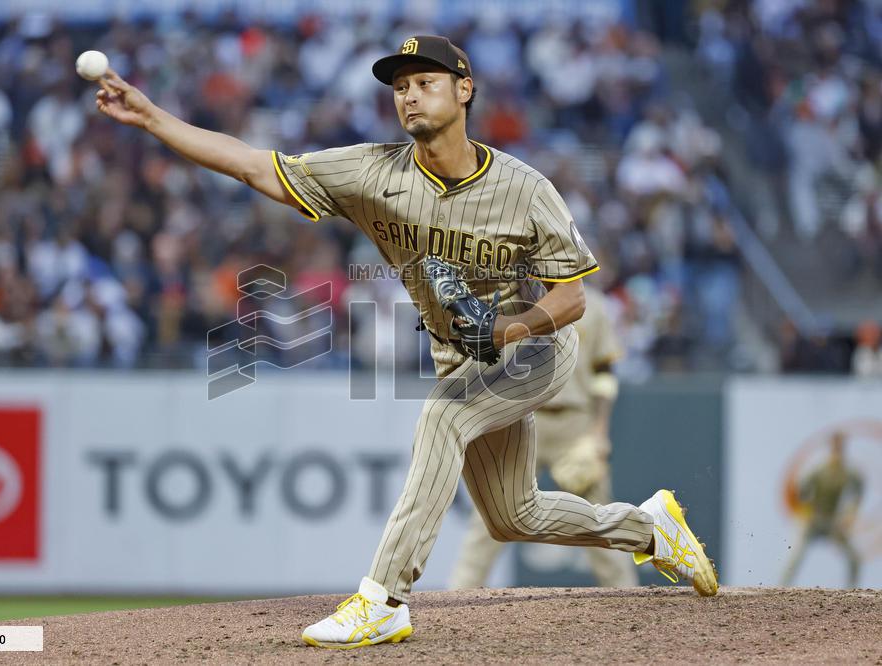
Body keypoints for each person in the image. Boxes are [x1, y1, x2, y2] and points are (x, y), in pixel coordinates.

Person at [94, 34, 717, 650]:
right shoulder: (371, 173)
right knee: (512, 516)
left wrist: (509, 327)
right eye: (399, 87)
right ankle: (650, 529)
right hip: (463, 358)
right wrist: (152, 118)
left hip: (534, 350)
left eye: (425, 83)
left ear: (465, 89)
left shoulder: (525, 188)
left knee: (443, 418)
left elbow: (573, 296)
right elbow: (255, 164)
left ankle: (384, 599)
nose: (409, 97)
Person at [449, 285, 637, 589]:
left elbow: (604, 373)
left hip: (574, 422)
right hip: (520, 416)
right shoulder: (510, 301)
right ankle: (459, 595)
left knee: (599, 516)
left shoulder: (593, 304)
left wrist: (599, 432)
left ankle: (627, 595)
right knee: (491, 515)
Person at [781, 432, 864, 588]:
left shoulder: (847, 472)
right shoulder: (819, 470)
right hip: (813, 521)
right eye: (835, 446)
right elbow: (802, 492)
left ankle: (853, 592)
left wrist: (851, 513)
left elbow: (859, 489)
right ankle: (779, 590)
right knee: (794, 559)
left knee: (854, 558)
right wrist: (804, 513)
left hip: (832, 521)